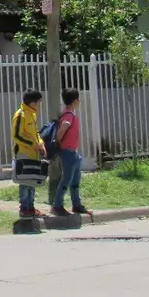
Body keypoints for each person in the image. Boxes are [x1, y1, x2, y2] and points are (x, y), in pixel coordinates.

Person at [52, 88, 90, 216]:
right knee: (67, 178)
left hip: (73, 152)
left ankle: (76, 204)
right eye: (78, 100)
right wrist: (58, 141)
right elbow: (62, 130)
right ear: (74, 101)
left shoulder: (68, 114)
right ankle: (57, 205)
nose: (79, 102)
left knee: (75, 179)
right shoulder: (69, 116)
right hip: (67, 152)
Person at [11, 89, 47, 218]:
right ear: (32, 102)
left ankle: (31, 207)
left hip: (34, 153)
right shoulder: (20, 115)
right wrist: (32, 145)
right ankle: (24, 208)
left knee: (32, 180)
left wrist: (41, 143)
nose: (39, 105)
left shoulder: (32, 114)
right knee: (25, 181)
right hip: (23, 153)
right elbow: (16, 136)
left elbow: (36, 133)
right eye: (38, 102)